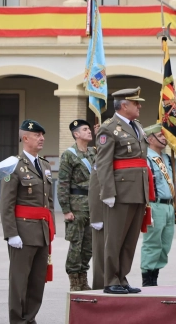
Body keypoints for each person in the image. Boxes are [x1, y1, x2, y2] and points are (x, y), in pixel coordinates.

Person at [96, 88, 152, 294]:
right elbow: (103, 163)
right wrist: (108, 192)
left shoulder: (137, 126)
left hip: (138, 190)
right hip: (120, 191)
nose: (139, 106)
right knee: (115, 238)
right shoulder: (109, 128)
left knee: (129, 239)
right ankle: (110, 279)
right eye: (135, 103)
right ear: (124, 105)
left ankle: (122, 277)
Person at [0, 119, 55, 324]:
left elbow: (48, 201)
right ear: (25, 138)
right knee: (19, 281)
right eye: (37, 135)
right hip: (22, 231)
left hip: (41, 231)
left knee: (37, 281)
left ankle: (30, 318)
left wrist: (51, 228)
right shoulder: (13, 165)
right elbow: (6, 203)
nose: (41, 139)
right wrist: (11, 233)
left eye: (42, 135)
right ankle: (17, 320)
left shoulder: (44, 165)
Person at [141, 123, 176, 286]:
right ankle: (148, 278)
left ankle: (155, 274)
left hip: (170, 206)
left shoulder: (168, 158)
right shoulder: (146, 157)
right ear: (150, 139)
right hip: (154, 205)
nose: (164, 138)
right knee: (152, 242)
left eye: (165, 136)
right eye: (161, 136)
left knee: (165, 244)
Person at [58, 119, 96, 291]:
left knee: (89, 245)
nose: (89, 132)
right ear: (76, 134)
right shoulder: (69, 155)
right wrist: (66, 209)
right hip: (76, 205)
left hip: (92, 205)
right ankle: (74, 280)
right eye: (85, 129)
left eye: (89, 129)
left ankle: (83, 277)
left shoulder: (93, 153)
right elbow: (63, 183)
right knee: (76, 244)